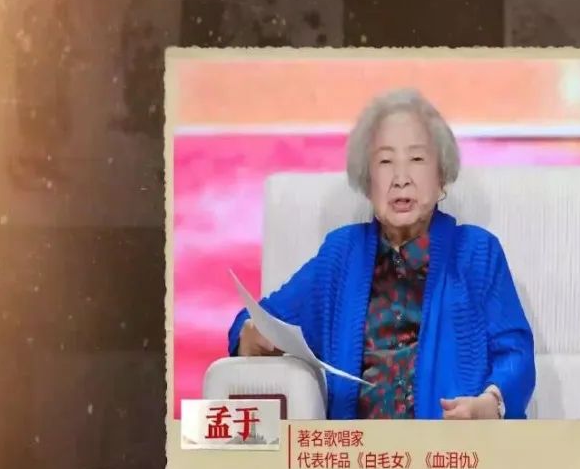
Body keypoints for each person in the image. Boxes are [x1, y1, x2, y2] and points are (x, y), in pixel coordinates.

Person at [227, 88, 535, 420]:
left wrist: (491, 403)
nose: (401, 179)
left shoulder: (477, 253)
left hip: (450, 447)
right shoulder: (340, 256)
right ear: (367, 181)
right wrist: (249, 336)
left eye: (417, 160)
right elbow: (261, 319)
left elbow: (515, 353)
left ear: (441, 177)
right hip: (359, 449)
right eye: (386, 162)